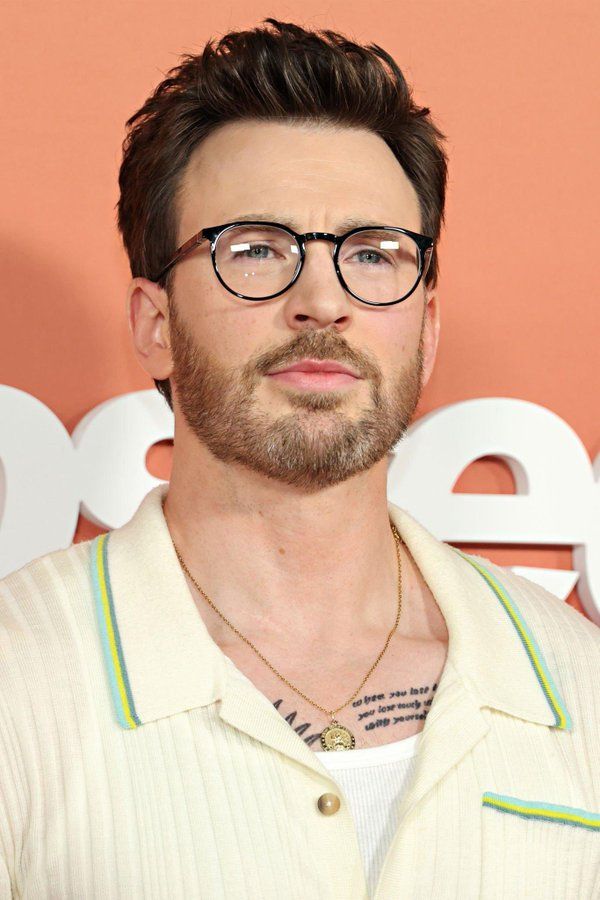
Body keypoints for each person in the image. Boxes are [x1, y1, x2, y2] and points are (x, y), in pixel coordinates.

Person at [1, 18, 599, 900]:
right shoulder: (18, 677)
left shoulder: (578, 686)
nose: (321, 301)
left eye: (372, 254)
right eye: (254, 250)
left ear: (426, 332)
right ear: (155, 323)